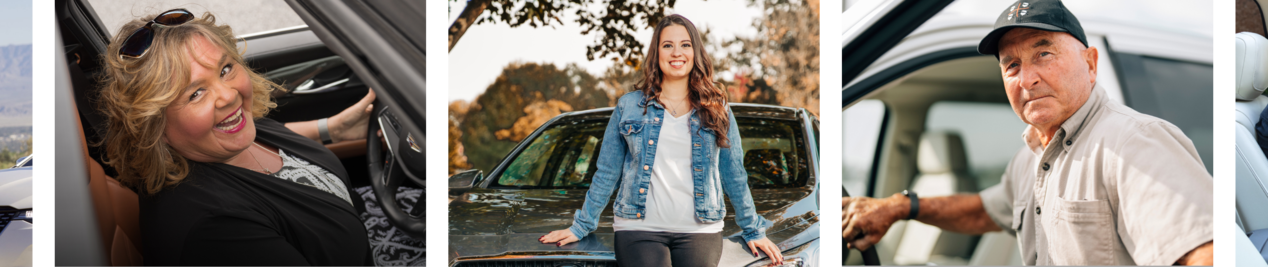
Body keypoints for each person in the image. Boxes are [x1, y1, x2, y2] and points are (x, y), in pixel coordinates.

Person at [838, 0, 1214, 265]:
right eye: (1012, 65)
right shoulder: (1030, 158)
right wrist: (901, 206)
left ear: (1090, 63)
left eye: (1044, 54)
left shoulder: (1134, 142)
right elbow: (984, 212)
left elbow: (1204, 255)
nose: (1028, 78)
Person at [95, 9, 421, 265]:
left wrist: (334, 128)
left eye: (224, 69)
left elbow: (277, 139)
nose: (228, 96)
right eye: (195, 94)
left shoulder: (231, 135)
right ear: (154, 126)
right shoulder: (215, 232)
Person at [536, 14, 783, 267]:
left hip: (700, 231)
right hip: (638, 229)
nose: (677, 53)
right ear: (657, 53)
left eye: (685, 45)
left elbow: (733, 173)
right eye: (668, 45)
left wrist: (753, 230)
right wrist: (581, 226)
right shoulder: (629, 106)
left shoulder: (716, 108)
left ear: (695, 52)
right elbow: (607, 171)